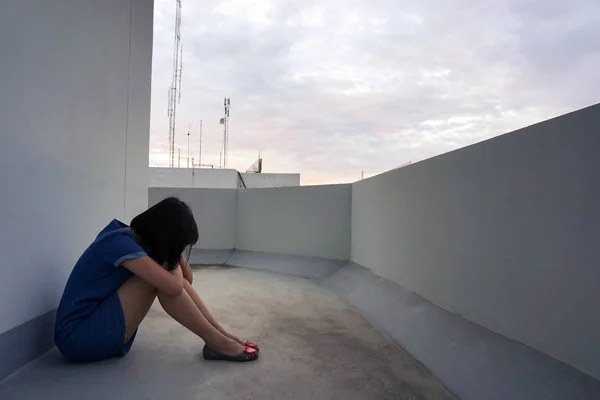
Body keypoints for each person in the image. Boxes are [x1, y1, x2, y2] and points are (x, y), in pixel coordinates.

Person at [54, 197, 258, 363]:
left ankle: (221, 335)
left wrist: (172, 251)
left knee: (167, 278)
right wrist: (169, 252)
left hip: (92, 327)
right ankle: (217, 342)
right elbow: (175, 288)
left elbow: (187, 279)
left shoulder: (136, 239)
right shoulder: (119, 243)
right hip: (77, 338)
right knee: (158, 281)